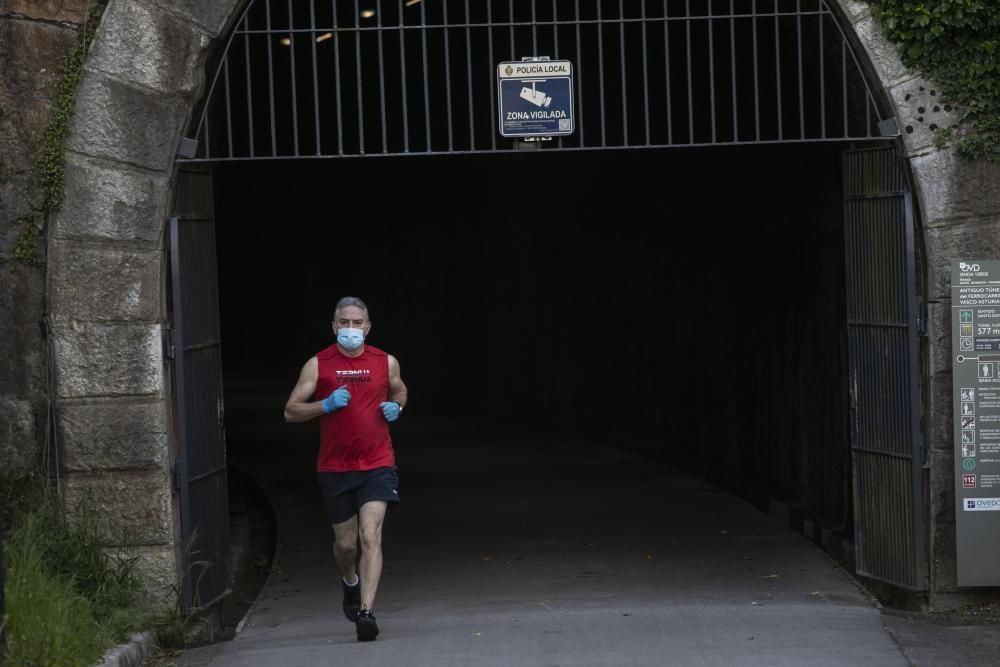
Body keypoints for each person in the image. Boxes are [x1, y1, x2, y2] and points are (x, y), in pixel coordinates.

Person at [283, 296, 408, 642]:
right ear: (334, 326)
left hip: (377, 463)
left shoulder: (386, 361)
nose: (351, 329)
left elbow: (400, 391)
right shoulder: (318, 364)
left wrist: (396, 407)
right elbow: (291, 411)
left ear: (368, 327)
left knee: (371, 535)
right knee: (346, 545)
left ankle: (366, 612)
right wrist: (324, 404)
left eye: (357, 323)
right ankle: (350, 582)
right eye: (345, 323)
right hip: (335, 467)